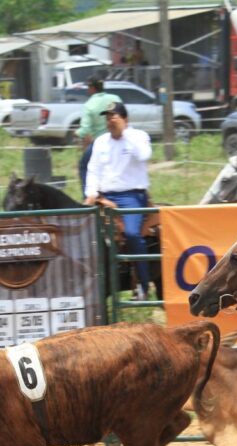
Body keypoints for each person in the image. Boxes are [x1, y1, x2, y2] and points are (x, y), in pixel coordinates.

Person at [83, 101, 154, 299]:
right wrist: (91, 193)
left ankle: (143, 284)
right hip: (105, 196)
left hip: (132, 195)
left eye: (114, 117)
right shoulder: (101, 142)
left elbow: (144, 155)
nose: (110, 121)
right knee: (83, 231)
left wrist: (126, 133)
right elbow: (93, 169)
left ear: (125, 119)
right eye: (108, 118)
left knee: (131, 233)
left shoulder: (138, 136)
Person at [76, 77, 121, 194]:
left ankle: (89, 199)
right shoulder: (115, 98)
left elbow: (85, 129)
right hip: (118, 140)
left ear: (92, 88)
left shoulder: (89, 105)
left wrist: (76, 132)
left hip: (99, 143)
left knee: (84, 166)